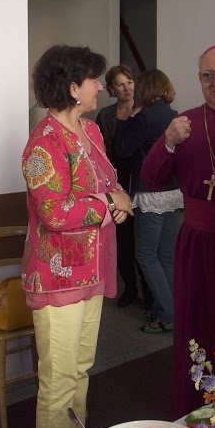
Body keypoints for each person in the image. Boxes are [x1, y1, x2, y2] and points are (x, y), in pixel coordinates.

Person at [21, 45, 133, 428]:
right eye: (94, 80)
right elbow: (55, 212)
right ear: (72, 88)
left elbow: (107, 183)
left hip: (93, 268)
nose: (101, 87)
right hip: (57, 278)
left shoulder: (91, 130)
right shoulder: (43, 142)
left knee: (81, 369)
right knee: (58, 380)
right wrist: (108, 204)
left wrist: (119, 197)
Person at [141, 44, 215, 419]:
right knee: (196, 329)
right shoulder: (183, 123)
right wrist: (167, 142)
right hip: (195, 244)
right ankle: (191, 409)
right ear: (198, 79)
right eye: (207, 75)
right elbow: (152, 179)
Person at [114, 69, 183, 333]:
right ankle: (166, 308)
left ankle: (167, 313)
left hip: (150, 192)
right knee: (166, 258)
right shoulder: (175, 115)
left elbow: (121, 148)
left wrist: (131, 116)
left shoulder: (143, 117)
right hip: (174, 193)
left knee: (145, 255)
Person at [96, 65, 152, 310]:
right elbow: (101, 151)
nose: (127, 88)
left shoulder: (145, 109)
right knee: (122, 239)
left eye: (129, 82)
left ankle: (149, 294)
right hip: (116, 183)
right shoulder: (105, 115)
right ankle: (129, 288)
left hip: (142, 181)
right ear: (112, 89)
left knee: (143, 241)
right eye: (120, 84)